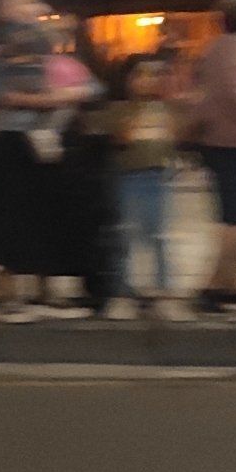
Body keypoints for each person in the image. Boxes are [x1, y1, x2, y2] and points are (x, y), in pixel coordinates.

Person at [0, 0, 103, 320]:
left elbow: (91, 87)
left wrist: (62, 94)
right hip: (10, 140)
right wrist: (48, 99)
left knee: (47, 213)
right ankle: (8, 291)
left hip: (47, 142)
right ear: (3, 9)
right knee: (8, 216)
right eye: (25, 1)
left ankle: (46, 288)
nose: (35, 7)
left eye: (36, 0)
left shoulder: (53, 53)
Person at [103, 55, 185, 320]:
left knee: (158, 236)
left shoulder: (167, 110)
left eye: (155, 75)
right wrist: (138, 112)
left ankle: (163, 292)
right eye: (141, 75)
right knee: (125, 235)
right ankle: (123, 293)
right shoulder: (122, 109)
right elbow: (120, 138)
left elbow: (176, 139)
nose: (148, 81)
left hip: (157, 177)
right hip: (128, 177)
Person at [190, 0, 236, 315]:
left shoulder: (215, 49)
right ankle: (214, 287)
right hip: (234, 143)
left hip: (217, 140)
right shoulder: (235, 50)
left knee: (233, 216)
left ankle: (228, 284)